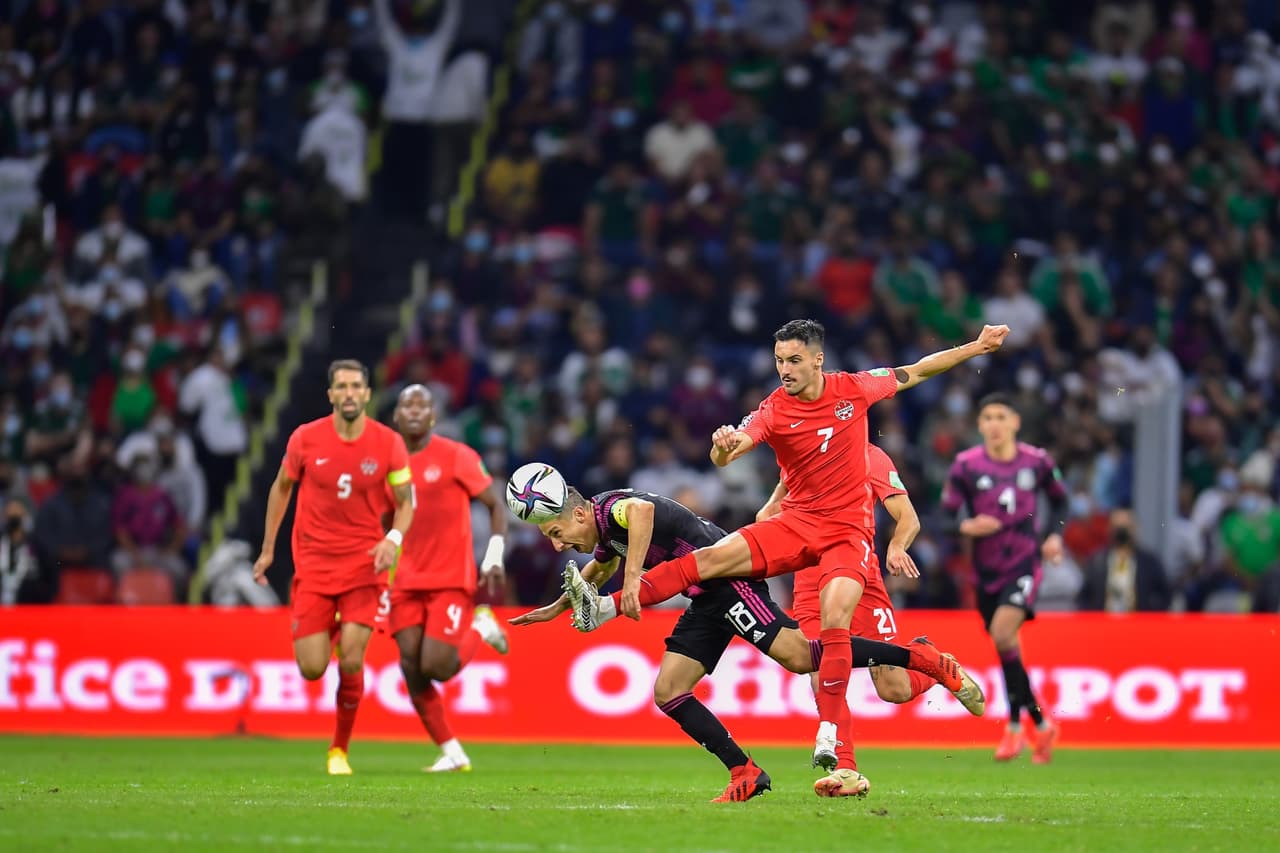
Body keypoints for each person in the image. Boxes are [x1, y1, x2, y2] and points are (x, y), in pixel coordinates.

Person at [563, 319, 1009, 797]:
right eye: (779, 361)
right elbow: (735, 448)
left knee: (845, 637)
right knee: (712, 559)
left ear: (818, 358)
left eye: (794, 360)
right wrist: (722, 449)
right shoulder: (774, 408)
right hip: (796, 524)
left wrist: (977, 347)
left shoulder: (853, 391)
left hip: (845, 534)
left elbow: (917, 371)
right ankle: (606, 606)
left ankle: (851, 736)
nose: (785, 370)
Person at [515, 480, 980, 803]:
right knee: (668, 691)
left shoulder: (612, 506)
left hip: (727, 579)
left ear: (577, 513)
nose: (557, 545)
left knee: (801, 658)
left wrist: (634, 578)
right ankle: (745, 771)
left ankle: (919, 657)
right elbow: (602, 565)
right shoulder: (600, 528)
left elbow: (642, 513)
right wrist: (556, 608)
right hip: (703, 596)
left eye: (556, 533)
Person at [759, 443, 984, 795]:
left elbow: (908, 518)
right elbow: (767, 516)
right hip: (808, 581)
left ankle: (934, 662)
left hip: (857, 574)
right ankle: (846, 771)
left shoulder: (869, 456)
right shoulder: (800, 453)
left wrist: (896, 547)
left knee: (892, 688)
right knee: (820, 671)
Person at [253, 359, 413, 775]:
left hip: (365, 567)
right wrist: (269, 548)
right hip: (314, 567)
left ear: (366, 393)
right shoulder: (306, 439)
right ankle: (337, 628)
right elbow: (281, 488)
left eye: (355, 386)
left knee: (353, 661)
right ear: (330, 394)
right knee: (311, 668)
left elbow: (406, 502)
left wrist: (392, 540)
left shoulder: (388, 444)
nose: (347, 392)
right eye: (340, 386)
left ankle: (338, 750)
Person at [385, 385, 510, 773]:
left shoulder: (456, 456)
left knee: (438, 666)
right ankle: (453, 752)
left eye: (423, 404)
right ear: (396, 415)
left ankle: (481, 626)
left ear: (433, 416)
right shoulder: (384, 462)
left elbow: (495, 505)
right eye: (408, 403)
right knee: (410, 664)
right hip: (402, 579)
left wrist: (493, 555)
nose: (415, 409)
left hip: (449, 578)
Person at [942, 392, 1068, 764]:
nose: (994, 424)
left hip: (1024, 563)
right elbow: (944, 518)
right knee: (1006, 645)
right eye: (987, 418)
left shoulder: (1038, 461)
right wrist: (966, 525)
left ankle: (1015, 727)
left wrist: (1054, 535)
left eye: (1001, 416)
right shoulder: (966, 465)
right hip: (985, 571)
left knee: (1001, 633)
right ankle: (1040, 725)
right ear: (980, 426)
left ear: (1015, 422)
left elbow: (1061, 500)